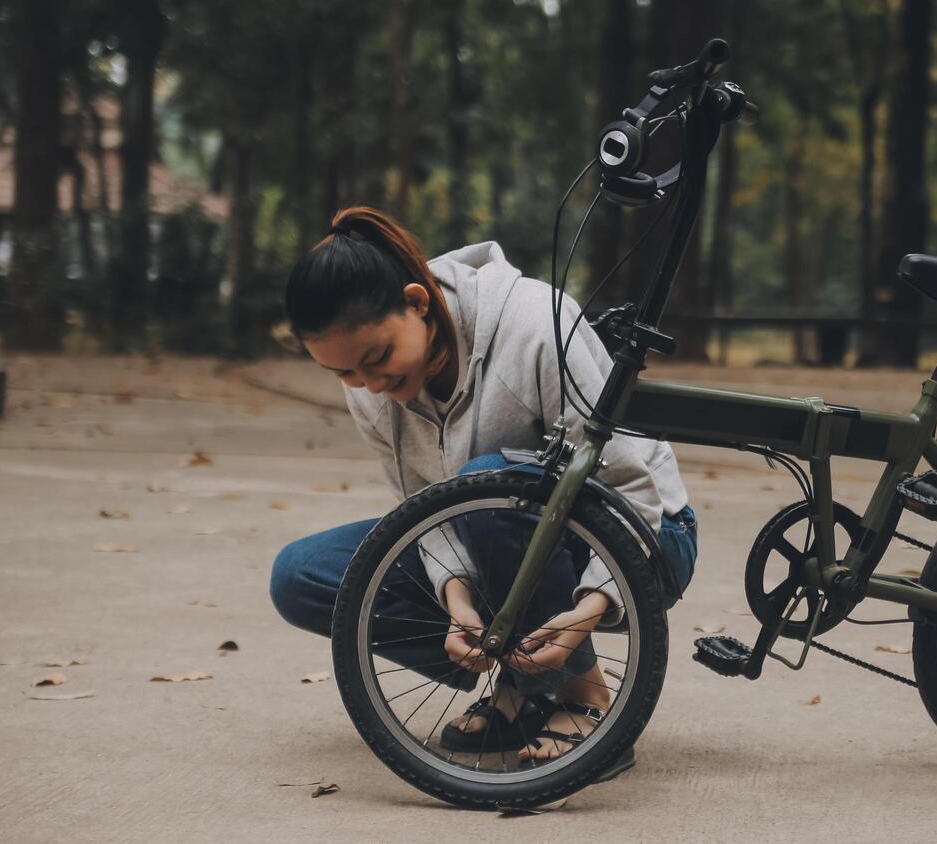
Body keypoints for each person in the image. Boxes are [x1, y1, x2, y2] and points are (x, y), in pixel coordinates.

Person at [269, 205, 697, 770]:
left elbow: (632, 489)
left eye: (377, 360)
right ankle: (524, 681)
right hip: (491, 537)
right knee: (301, 575)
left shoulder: (537, 327)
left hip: (645, 537)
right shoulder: (371, 386)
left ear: (418, 302)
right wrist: (457, 599)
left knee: (484, 487)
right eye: (345, 374)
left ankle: (584, 694)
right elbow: (420, 511)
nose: (370, 385)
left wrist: (589, 610)